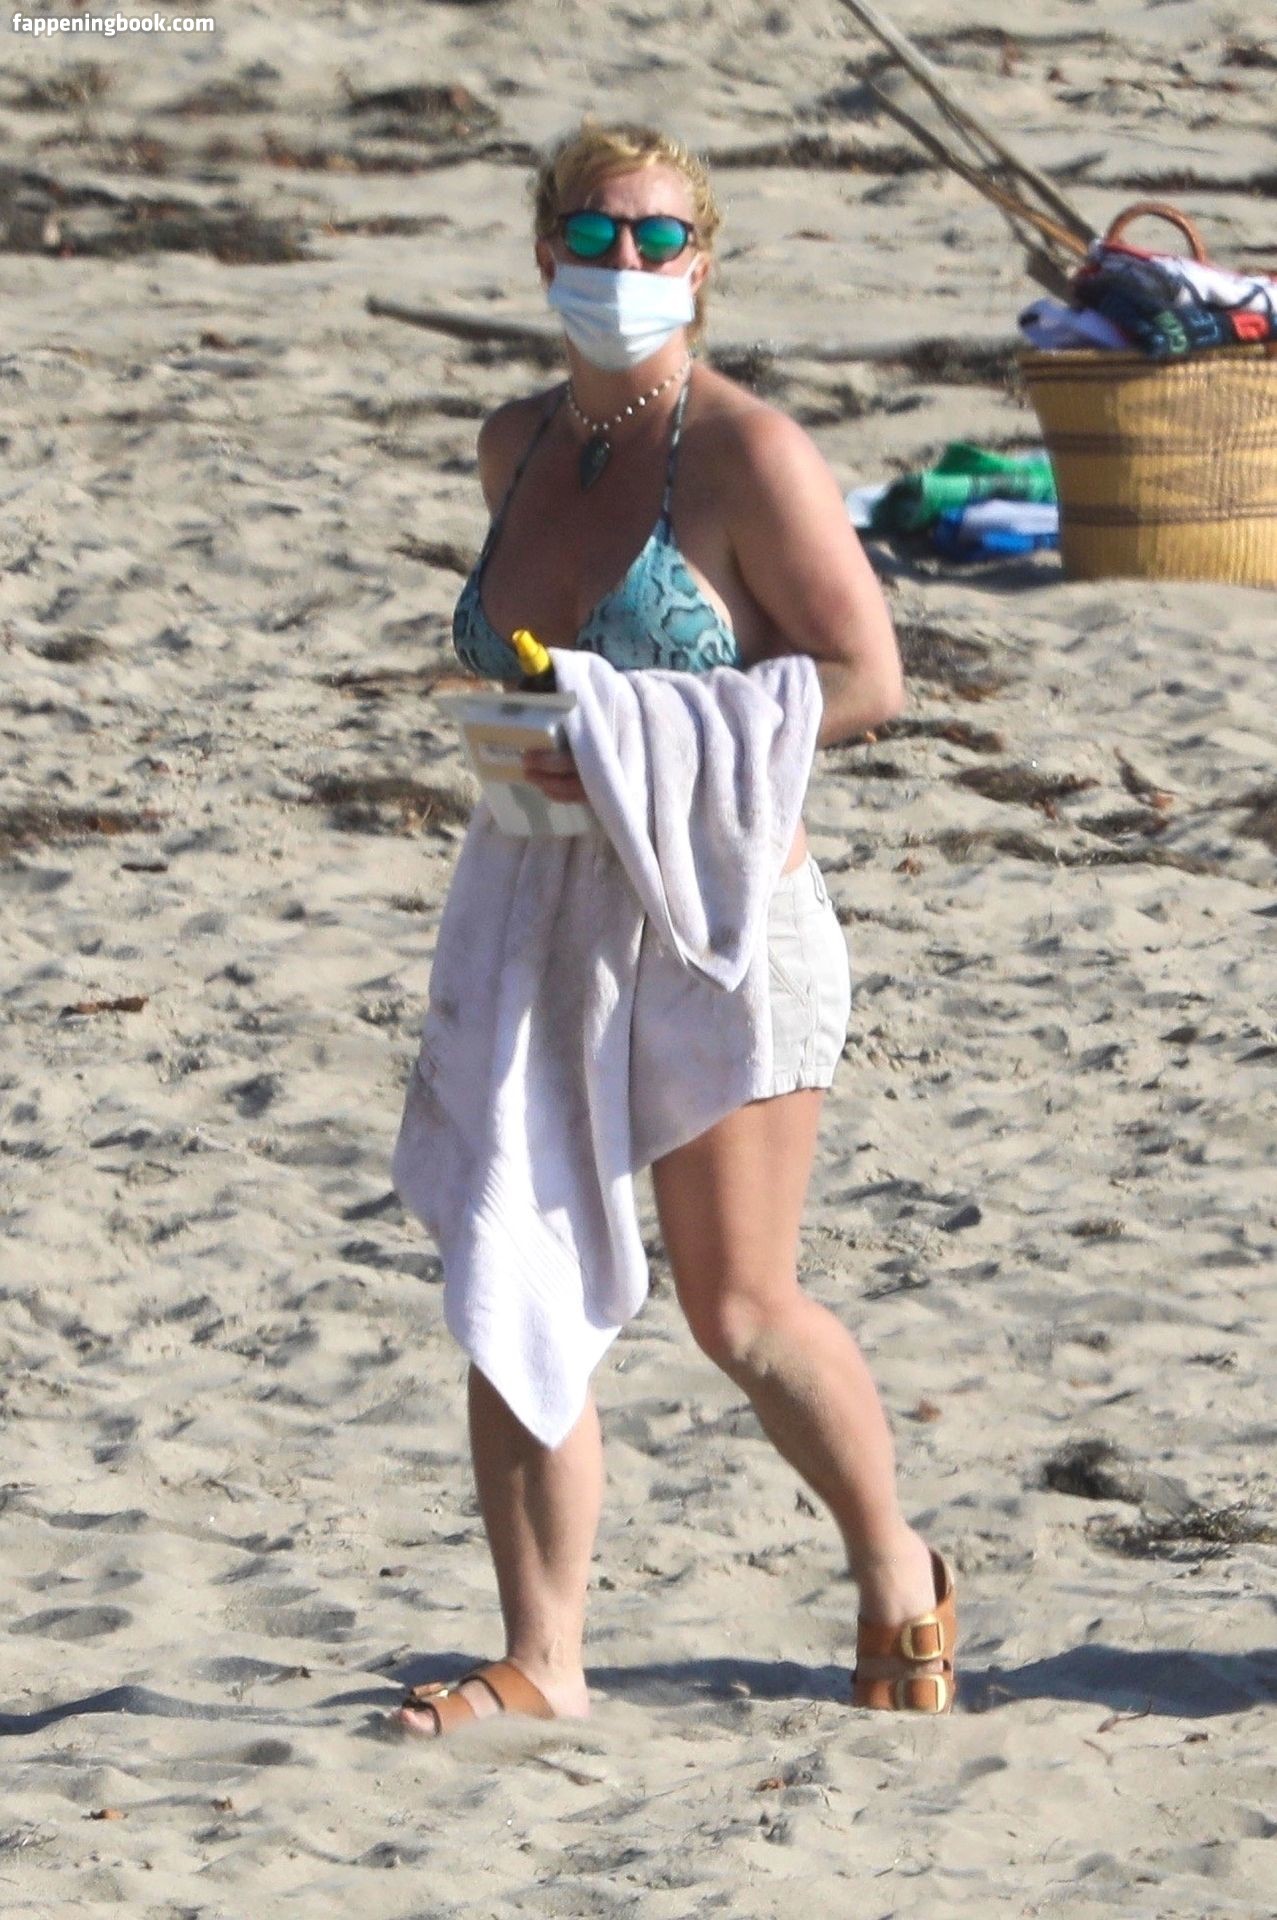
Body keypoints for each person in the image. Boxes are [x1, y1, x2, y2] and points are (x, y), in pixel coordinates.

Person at [393, 120, 955, 1736]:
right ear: (543, 252)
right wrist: (544, 738)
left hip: (721, 919)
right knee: (511, 1254)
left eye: (656, 238)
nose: (623, 262)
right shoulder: (512, 446)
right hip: (543, 908)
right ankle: (542, 1656)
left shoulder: (746, 454)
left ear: (701, 265)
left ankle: (894, 1567)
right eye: (594, 233)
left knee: (739, 1312)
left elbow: (866, 679)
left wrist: (645, 741)